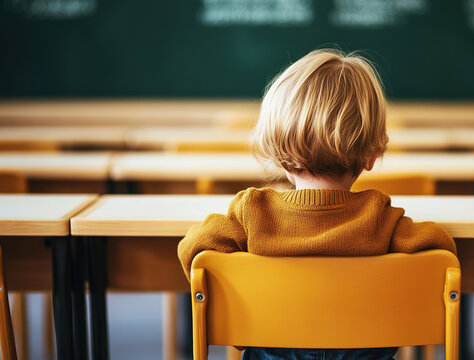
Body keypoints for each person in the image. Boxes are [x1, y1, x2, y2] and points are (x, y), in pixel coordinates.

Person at [177, 48, 456, 360]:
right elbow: (441, 254)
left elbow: (195, 251)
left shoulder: (250, 213)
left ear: (276, 148)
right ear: (372, 155)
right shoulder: (382, 219)